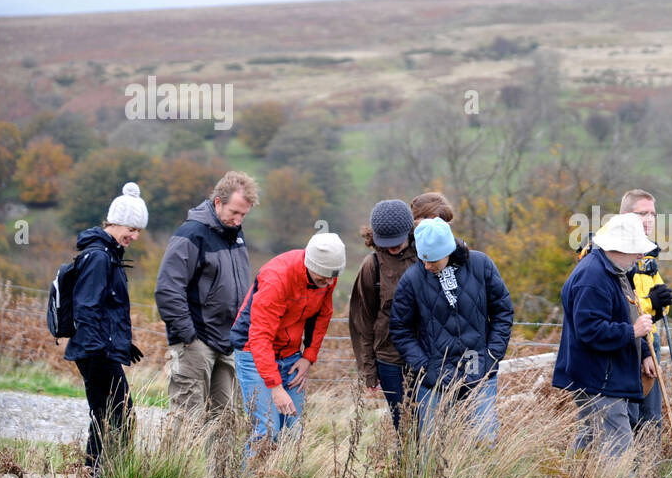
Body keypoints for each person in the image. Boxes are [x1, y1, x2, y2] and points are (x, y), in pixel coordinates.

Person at [389, 217, 512, 443]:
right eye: (423, 259)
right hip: (434, 382)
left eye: (432, 260)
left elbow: (503, 312)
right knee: (433, 450)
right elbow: (400, 329)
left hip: (480, 374)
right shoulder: (413, 279)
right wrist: (426, 367)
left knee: (484, 442)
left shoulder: (481, 265)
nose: (426, 266)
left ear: (447, 250)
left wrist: (492, 356)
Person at [154, 171, 257, 427]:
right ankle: (175, 469)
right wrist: (188, 335)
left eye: (243, 214)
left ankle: (218, 470)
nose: (238, 219)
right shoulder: (191, 234)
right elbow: (168, 288)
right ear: (218, 202)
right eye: (234, 212)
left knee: (225, 421)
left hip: (228, 341)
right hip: (196, 341)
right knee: (187, 419)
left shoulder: (236, 237)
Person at [231, 232, 345, 460]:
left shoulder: (327, 274)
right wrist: (275, 387)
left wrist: (308, 357)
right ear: (310, 265)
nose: (329, 283)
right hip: (253, 351)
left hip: (291, 353)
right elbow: (260, 336)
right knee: (268, 430)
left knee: (294, 431)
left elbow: (323, 315)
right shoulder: (277, 279)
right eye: (323, 278)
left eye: (332, 278)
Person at [349, 193, 456, 431]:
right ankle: (406, 468)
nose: (393, 248)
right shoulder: (372, 266)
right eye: (386, 242)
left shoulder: (427, 252)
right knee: (406, 429)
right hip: (390, 361)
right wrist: (368, 370)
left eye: (397, 240)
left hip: (433, 356)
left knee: (437, 427)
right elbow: (362, 322)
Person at [552, 212, 656, 457]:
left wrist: (641, 352)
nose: (641, 255)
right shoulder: (593, 277)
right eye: (636, 249)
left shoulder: (610, 270)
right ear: (619, 248)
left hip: (600, 376)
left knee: (588, 440)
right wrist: (633, 332)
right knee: (618, 449)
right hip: (599, 379)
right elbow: (590, 330)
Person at [64, 182, 147, 478]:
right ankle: (101, 474)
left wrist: (124, 342)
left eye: (138, 231)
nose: (134, 236)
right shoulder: (99, 257)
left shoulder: (108, 255)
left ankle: (95, 473)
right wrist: (101, 348)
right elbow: (87, 306)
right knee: (119, 415)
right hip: (95, 350)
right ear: (114, 222)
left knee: (108, 414)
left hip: (101, 348)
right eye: (131, 228)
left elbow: (107, 308)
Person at [619, 190, 672, 444]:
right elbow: (619, 304)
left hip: (650, 340)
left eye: (653, 214)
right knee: (627, 417)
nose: (650, 219)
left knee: (651, 418)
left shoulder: (649, 255)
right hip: (624, 342)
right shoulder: (614, 251)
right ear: (625, 215)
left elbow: (658, 307)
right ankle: (620, 477)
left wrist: (661, 303)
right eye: (643, 213)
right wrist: (650, 303)